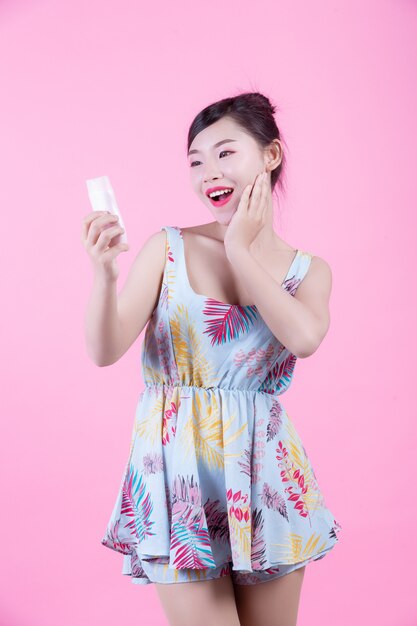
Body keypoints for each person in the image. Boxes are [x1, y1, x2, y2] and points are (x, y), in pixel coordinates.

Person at [81, 92, 342, 626]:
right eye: (195, 161)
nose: (208, 173)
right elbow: (105, 350)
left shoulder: (309, 272)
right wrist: (105, 277)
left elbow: (304, 339)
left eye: (225, 153)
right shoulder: (167, 248)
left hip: (266, 479)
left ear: (270, 156)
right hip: (176, 477)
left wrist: (240, 250)